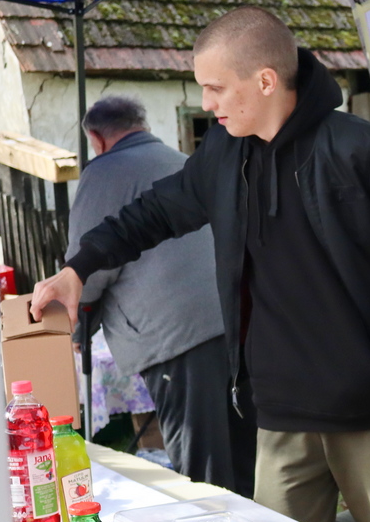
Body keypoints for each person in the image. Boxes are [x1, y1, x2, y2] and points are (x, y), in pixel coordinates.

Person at [32, 7, 370, 522]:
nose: (206, 103)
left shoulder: (359, 148)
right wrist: (78, 268)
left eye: (215, 88)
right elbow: (152, 214)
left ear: (264, 81)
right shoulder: (222, 152)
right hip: (279, 413)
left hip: (368, 407)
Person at [68, 95, 255, 496]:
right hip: (231, 319)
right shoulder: (179, 159)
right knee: (243, 452)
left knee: (203, 469)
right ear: (144, 125)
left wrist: (79, 331)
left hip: (176, 336)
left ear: (96, 139)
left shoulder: (103, 173)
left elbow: (88, 274)